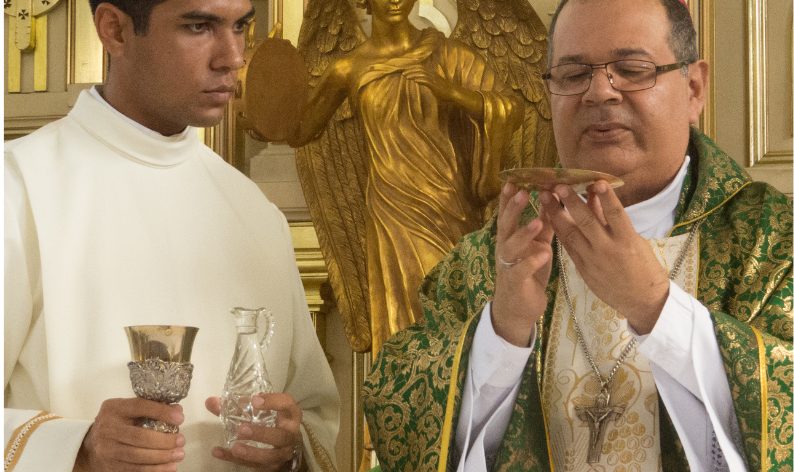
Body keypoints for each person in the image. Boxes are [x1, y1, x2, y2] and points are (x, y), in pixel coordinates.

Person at [363, 0, 792, 471]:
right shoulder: (490, 260)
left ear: (694, 89)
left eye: (632, 70)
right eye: (572, 75)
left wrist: (655, 306)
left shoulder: (773, 242)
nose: (600, 92)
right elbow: (398, 420)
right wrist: (501, 335)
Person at [4, 1, 339, 471]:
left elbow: (313, 417)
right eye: (199, 26)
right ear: (115, 30)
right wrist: (78, 448)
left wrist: (289, 447)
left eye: (240, 27)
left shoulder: (255, 213)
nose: (233, 57)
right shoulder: (18, 188)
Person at [288, 0, 525, 355]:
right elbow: (300, 131)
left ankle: (456, 388)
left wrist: (453, 94)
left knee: (451, 309)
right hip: (391, 209)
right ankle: (400, 389)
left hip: (449, 205)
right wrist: (260, 91)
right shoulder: (348, 68)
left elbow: (511, 109)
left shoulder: (450, 56)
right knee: (402, 320)